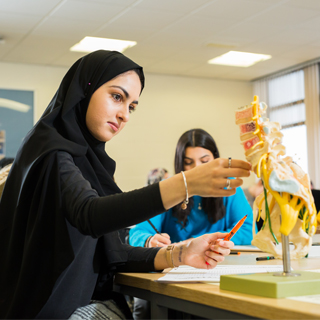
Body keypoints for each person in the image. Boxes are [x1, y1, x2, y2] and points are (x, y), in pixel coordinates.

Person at [0, 51, 251, 319]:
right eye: (117, 97)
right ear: (85, 90)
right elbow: (90, 215)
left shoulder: (88, 162)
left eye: (131, 106)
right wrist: (185, 184)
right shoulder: (50, 152)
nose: (125, 115)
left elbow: (111, 253)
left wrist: (180, 253)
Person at [129, 128, 253, 250]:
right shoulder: (166, 188)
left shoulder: (229, 185)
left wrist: (197, 242)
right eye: (188, 162)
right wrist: (149, 241)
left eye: (204, 161)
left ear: (216, 160)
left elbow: (248, 232)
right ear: (180, 164)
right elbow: (137, 233)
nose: (197, 169)